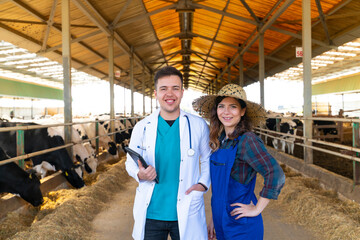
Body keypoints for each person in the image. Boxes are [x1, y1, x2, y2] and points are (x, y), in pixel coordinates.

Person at [125, 66, 211, 240]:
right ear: (155, 93)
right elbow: (130, 162)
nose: (169, 94)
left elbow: (208, 158)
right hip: (152, 212)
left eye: (175, 88)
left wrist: (202, 184)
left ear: (182, 92)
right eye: (163, 89)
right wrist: (139, 174)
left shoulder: (198, 125)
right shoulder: (142, 127)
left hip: (187, 209)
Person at [192, 84, 285, 240]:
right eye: (221, 106)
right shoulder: (220, 140)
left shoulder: (247, 140)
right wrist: (214, 219)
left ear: (242, 111)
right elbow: (219, 189)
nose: (226, 112)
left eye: (233, 107)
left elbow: (275, 174)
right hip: (221, 221)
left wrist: (256, 209)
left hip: (241, 225)